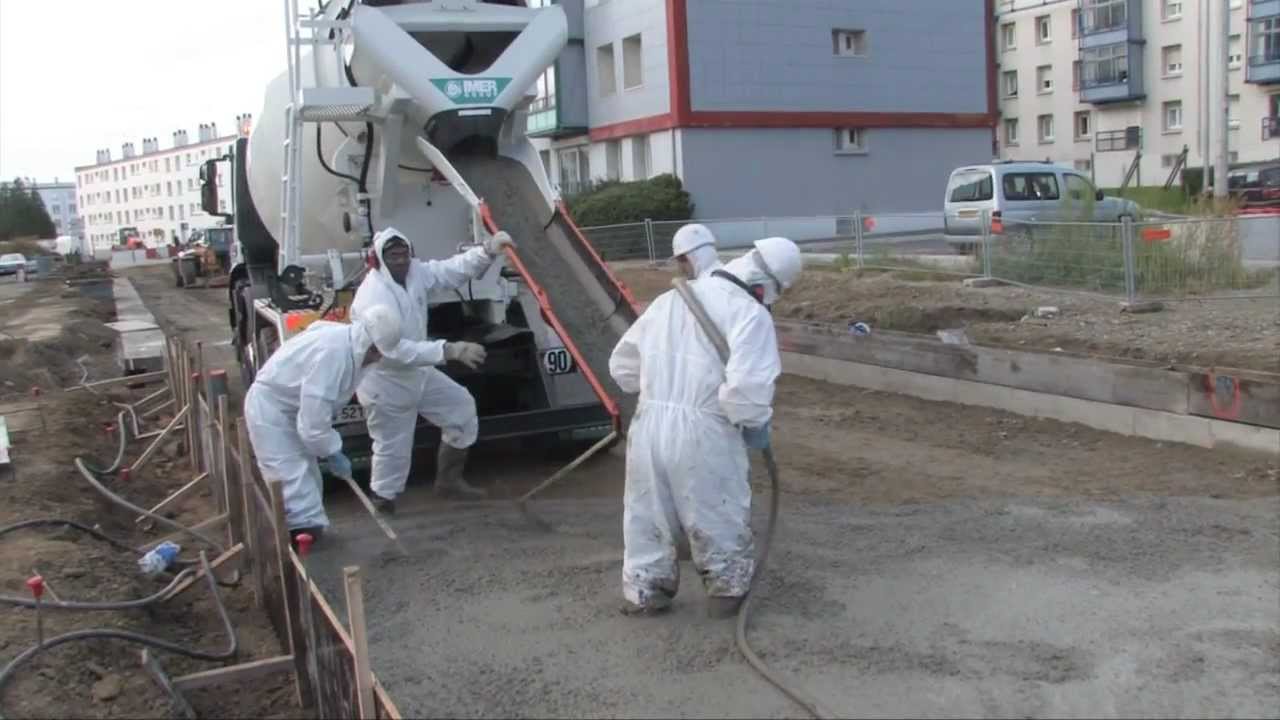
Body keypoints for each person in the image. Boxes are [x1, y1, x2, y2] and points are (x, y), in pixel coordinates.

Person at [609, 236, 803, 618]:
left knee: (647, 512)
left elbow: (623, 368)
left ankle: (646, 592)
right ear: (766, 286)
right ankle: (726, 595)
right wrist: (754, 424)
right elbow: (745, 395)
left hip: (648, 424)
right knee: (716, 509)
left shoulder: (669, 301)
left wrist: (662, 388)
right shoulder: (750, 313)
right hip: (704, 430)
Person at [350, 226, 515, 514]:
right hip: (386, 380)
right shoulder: (373, 296)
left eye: (404, 254)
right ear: (378, 260)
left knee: (461, 408)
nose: (401, 261)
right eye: (393, 256)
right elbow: (392, 351)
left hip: (420, 372)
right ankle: (383, 502)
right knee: (392, 447)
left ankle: (449, 482)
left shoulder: (415, 273)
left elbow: (449, 271)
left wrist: (486, 251)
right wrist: (448, 350)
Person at [244, 304, 403, 542]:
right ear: (365, 340)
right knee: (293, 483)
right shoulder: (332, 356)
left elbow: (312, 420)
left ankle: (309, 539)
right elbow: (313, 423)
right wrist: (332, 451)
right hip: (272, 411)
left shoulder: (347, 344)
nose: (378, 357)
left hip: (292, 408)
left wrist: (328, 448)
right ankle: (301, 554)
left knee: (309, 479)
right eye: (376, 351)